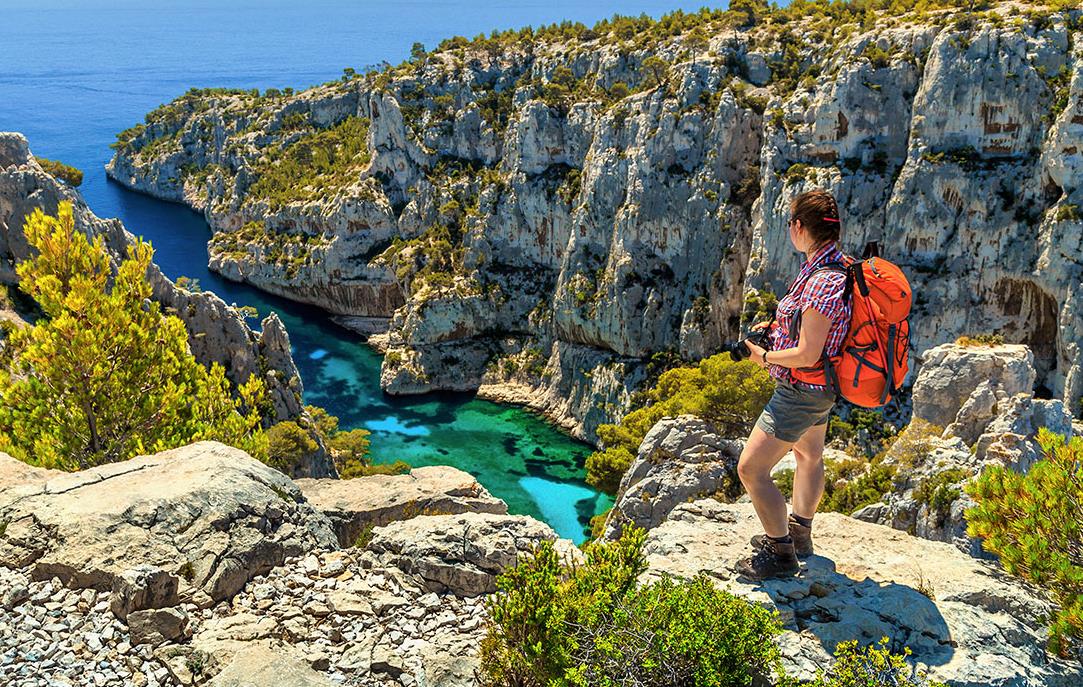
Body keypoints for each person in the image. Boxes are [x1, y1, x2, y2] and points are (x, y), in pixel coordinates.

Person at [734, 188, 852, 580]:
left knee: (751, 469)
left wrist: (763, 356)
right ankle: (800, 534)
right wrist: (776, 329)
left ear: (799, 227)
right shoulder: (833, 266)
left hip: (801, 390)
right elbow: (812, 330)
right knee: (809, 456)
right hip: (821, 390)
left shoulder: (823, 281)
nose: (788, 230)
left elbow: (807, 354)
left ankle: (780, 553)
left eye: (789, 223)